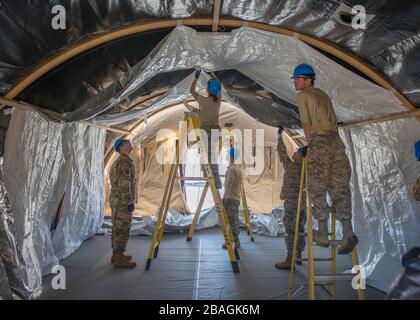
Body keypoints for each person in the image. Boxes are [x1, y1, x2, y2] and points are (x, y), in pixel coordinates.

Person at [292, 63, 358, 255]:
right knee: (339, 187)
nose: (295, 82)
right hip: (336, 142)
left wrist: (309, 146)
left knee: (316, 186)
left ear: (307, 79)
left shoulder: (303, 95)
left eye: (297, 79)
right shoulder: (323, 95)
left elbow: (307, 124)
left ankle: (322, 231)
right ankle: (347, 231)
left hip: (320, 141)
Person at [275, 127, 306, 270]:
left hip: (292, 204)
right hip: (303, 204)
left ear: (301, 156)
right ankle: (298, 255)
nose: (294, 153)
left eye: (297, 152)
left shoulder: (292, 167)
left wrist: (279, 135)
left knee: (290, 229)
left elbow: (282, 153)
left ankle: (289, 259)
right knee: (299, 229)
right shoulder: (308, 169)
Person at [185, 70, 223, 189]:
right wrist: (210, 73)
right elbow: (199, 112)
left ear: (207, 89)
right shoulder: (218, 99)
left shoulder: (202, 100)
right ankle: (211, 178)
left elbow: (192, 91)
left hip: (206, 132)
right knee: (209, 156)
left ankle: (214, 180)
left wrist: (196, 77)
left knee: (207, 156)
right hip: (215, 131)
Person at [109, 138, 137, 268]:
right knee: (122, 228)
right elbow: (124, 184)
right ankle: (119, 258)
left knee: (118, 227)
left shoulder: (124, 161)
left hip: (118, 200)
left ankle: (117, 254)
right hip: (122, 202)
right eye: (126, 143)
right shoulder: (123, 163)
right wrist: (129, 201)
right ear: (120, 147)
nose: (130, 145)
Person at [222, 147, 242, 249]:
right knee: (235, 219)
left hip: (230, 198)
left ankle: (234, 242)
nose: (226, 155)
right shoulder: (237, 168)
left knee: (231, 221)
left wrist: (224, 198)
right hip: (236, 198)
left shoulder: (231, 169)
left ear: (231, 156)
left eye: (227, 154)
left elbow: (228, 186)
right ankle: (235, 241)